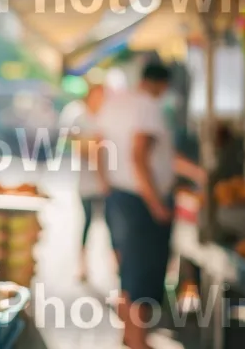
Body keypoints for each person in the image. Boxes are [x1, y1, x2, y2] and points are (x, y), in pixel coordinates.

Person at [94, 63, 204, 349]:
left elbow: (99, 146)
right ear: (161, 84)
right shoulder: (149, 107)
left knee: (128, 269)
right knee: (143, 272)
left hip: (119, 196)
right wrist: (155, 204)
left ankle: (130, 334)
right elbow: (139, 157)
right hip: (140, 202)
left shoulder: (116, 103)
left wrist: (106, 184)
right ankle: (139, 340)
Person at [67, 85, 108, 280]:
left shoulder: (105, 116)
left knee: (111, 223)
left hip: (106, 180)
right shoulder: (79, 116)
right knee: (87, 222)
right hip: (87, 181)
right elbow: (81, 146)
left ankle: (114, 263)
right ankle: (82, 264)